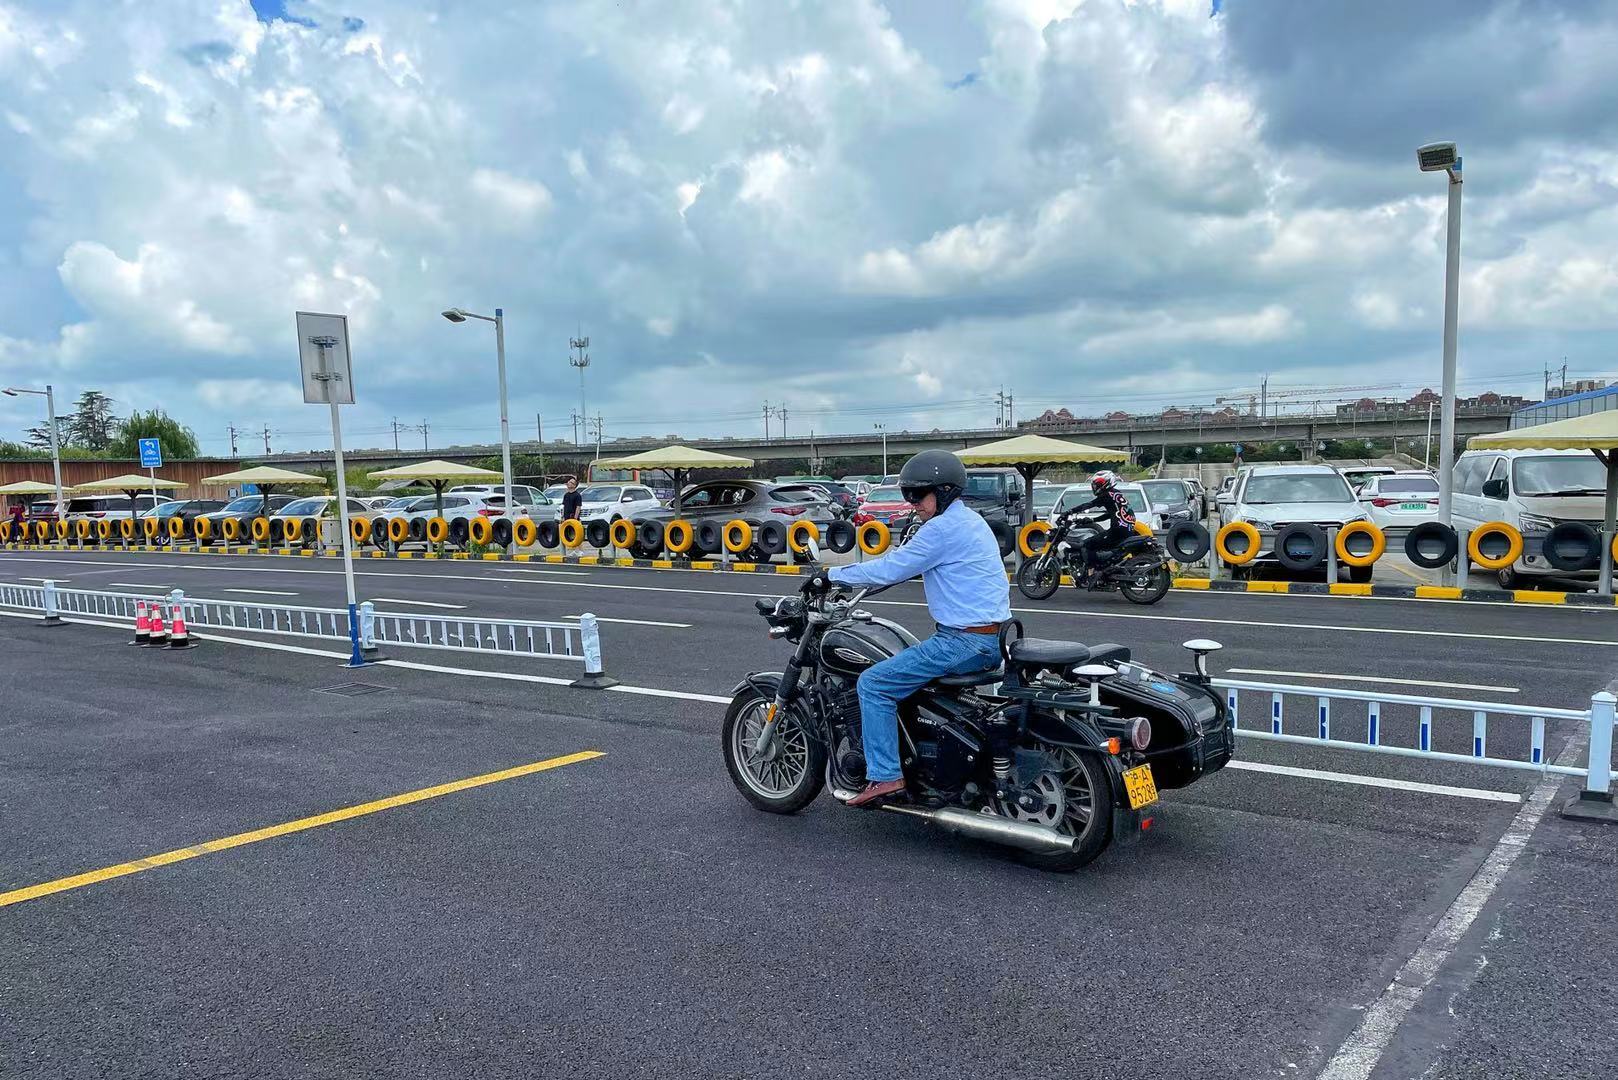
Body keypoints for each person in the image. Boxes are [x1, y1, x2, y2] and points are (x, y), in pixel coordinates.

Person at [803, 450, 1012, 808]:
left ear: (943, 492)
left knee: (873, 684)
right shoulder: (972, 522)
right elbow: (903, 568)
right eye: (908, 495)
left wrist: (830, 575)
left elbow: (891, 568)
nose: (912, 503)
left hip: (961, 642)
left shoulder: (941, 530)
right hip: (990, 638)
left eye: (917, 494)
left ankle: (886, 776)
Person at [1069, 470, 1136, 580]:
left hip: (1117, 530)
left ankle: (1092, 575)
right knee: (1100, 543)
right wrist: (1092, 520)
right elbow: (1111, 514)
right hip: (1127, 529)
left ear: (1107, 483)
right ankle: (1105, 569)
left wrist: (1070, 511)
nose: (1096, 487)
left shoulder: (1106, 495)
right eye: (1095, 484)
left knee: (1087, 544)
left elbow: (1089, 505)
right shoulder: (1116, 493)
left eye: (1098, 484)